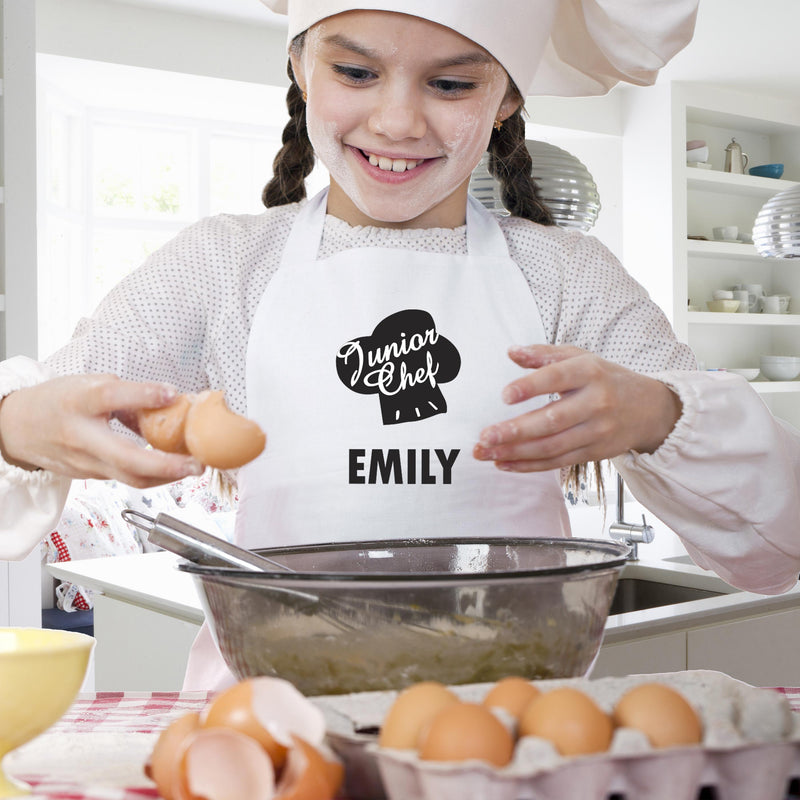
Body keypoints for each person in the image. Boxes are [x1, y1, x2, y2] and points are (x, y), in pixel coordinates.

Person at [1, 0, 799, 690]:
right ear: (300, 65)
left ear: (505, 97)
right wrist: (20, 427)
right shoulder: (223, 265)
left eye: (451, 83)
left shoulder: (568, 276)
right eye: (354, 73)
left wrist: (658, 413)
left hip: (510, 735)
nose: (396, 121)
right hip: (274, 730)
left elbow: (778, 546)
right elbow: (55, 410)